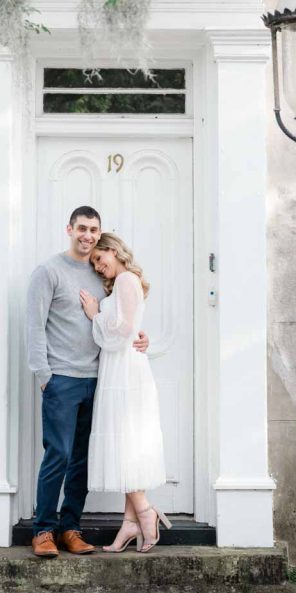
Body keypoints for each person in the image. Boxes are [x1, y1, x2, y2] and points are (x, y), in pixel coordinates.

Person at [26, 207, 149, 559]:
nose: (88, 235)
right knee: (58, 455)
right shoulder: (48, 271)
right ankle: (44, 531)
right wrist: (43, 374)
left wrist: (141, 337)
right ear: (69, 229)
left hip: (100, 379)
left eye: (94, 230)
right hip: (62, 378)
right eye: (82, 228)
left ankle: (70, 529)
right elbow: (34, 326)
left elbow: (121, 318)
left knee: (82, 459)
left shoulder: (103, 273)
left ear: (100, 234)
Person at [80, 233, 171, 553]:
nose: (98, 266)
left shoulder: (127, 280)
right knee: (124, 442)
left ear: (112, 250)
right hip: (117, 367)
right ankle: (130, 523)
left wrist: (95, 315)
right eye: (93, 264)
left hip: (125, 371)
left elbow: (122, 330)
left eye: (99, 258)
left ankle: (146, 512)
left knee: (125, 442)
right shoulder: (123, 282)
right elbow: (129, 327)